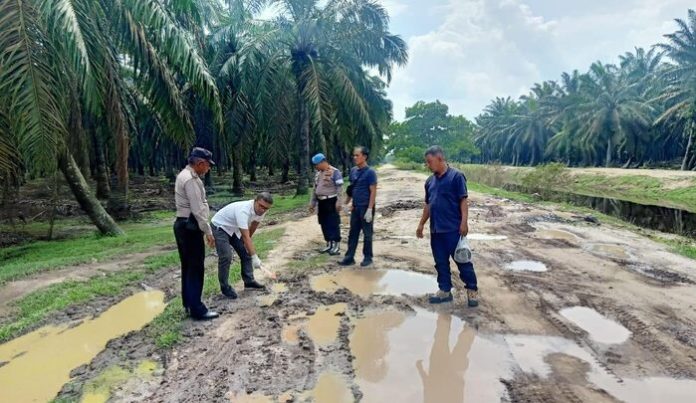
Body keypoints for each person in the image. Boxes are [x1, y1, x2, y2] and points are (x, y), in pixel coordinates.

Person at [416, 146, 479, 307]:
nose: (428, 165)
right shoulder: (429, 181)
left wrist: (464, 222)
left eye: (429, 162)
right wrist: (421, 224)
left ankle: (472, 291)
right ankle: (444, 291)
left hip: (453, 230)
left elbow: (463, 201)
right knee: (441, 263)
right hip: (436, 231)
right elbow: (429, 205)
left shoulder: (456, 177)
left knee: (463, 261)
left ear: (440, 158)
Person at [174, 147, 219, 320]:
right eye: (208, 165)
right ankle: (197, 309)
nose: (208, 169)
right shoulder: (191, 180)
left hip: (182, 225)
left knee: (187, 267)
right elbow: (198, 210)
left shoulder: (182, 175)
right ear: (200, 163)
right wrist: (208, 231)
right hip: (190, 226)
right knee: (195, 268)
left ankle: (188, 303)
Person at [211, 192, 273, 298]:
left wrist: (247, 248)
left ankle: (249, 282)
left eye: (266, 208)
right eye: (261, 206)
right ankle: (225, 287)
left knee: (246, 252)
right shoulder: (243, 210)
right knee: (226, 256)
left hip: (233, 228)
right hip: (220, 227)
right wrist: (255, 257)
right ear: (255, 201)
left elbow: (252, 227)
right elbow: (245, 236)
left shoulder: (261, 212)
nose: (262, 210)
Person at [339, 146, 377, 267]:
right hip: (355, 207)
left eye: (357, 155)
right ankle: (349, 257)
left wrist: (370, 209)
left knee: (367, 234)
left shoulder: (370, 172)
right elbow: (351, 189)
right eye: (354, 155)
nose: (355, 157)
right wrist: (345, 203)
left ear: (364, 157)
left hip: (366, 207)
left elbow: (373, 191)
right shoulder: (353, 171)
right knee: (353, 233)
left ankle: (368, 257)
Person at [309, 153, 344, 255]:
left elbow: (340, 188)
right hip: (321, 202)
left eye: (317, 164)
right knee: (323, 223)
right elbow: (315, 189)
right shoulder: (318, 174)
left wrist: (339, 202)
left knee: (333, 223)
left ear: (323, 162)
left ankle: (336, 245)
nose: (316, 167)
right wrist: (312, 203)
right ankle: (328, 244)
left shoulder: (335, 172)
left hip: (331, 201)